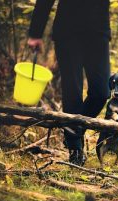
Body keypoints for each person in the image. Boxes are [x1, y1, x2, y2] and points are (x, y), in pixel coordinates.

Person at [27, 0, 111, 166]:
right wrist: (35, 33)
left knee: (102, 92)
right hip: (68, 31)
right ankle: (75, 149)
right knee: (73, 88)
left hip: (98, 32)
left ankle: (74, 130)